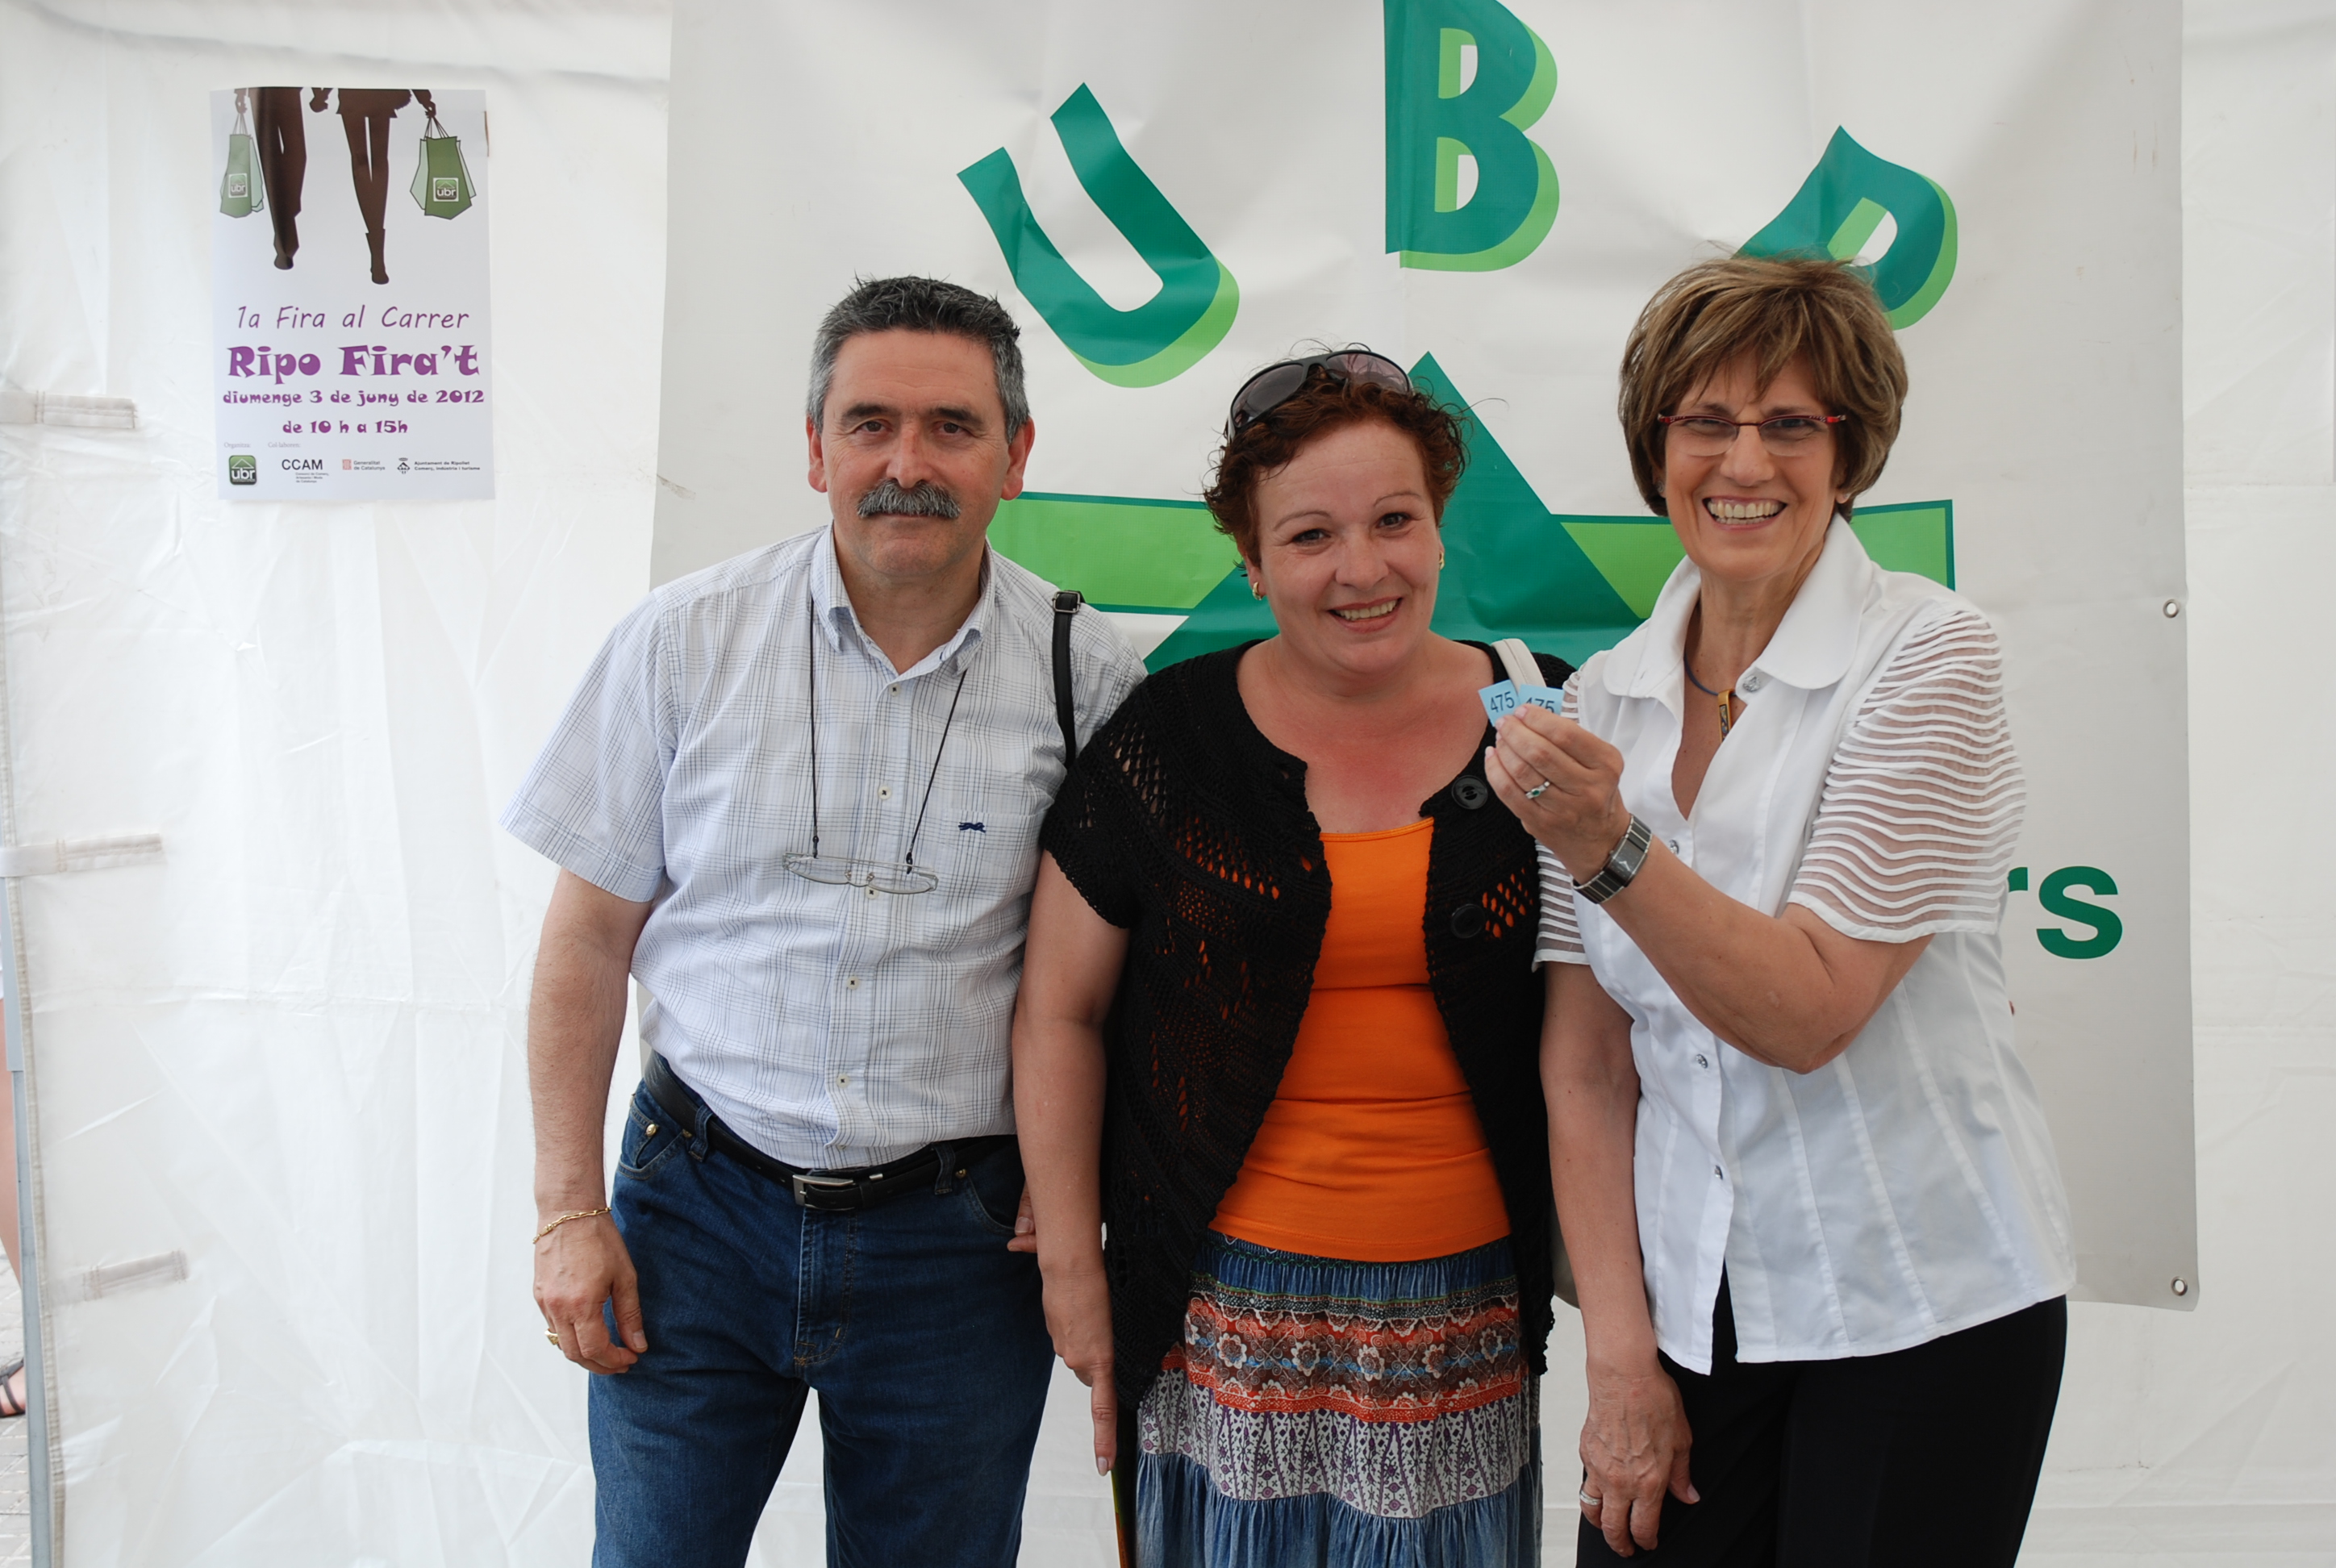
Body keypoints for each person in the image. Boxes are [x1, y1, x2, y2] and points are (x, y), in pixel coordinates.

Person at [504, 276, 1145, 1568]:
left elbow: (1118, 983)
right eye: (870, 425)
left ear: (1016, 455)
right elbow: (585, 939)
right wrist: (568, 1211)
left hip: (961, 1246)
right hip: (694, 1217)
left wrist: (1077, 1183)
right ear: (814, 449)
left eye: (952, 427)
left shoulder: (1091, 679)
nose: (908, 464)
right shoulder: (684, 642)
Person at [1486, 256, 2075, 1566]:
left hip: (1924, 1301)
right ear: (1655, 448)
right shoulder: (1600, 702)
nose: (1743, 460)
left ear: (1849, 452)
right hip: (1690, 1313)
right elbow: (1585, 1066)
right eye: (1705, 420)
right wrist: (1620, 1356)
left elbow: (1809, 1011)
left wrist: (1610, 843)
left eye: (1791, 423)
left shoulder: (1929, 656)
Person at [1016, 351, 1569, 1566]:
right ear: (1253, 560)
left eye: (1394, 521)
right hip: (1217, 1316)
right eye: (1311, 535)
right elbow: (1060, 1011)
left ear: (1440, 528)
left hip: (1463, 1323)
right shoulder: (1169, 739)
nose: (1361, 569)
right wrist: (1070, 1269)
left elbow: (1611, 1032)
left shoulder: (1544, 721)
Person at [308, 88, 436, 285]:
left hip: (357, 97)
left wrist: (321, 95)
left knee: (364, 164)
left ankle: (377, 253)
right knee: (376, 164)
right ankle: (377, 253)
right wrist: (424, 99)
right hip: (377, 97)